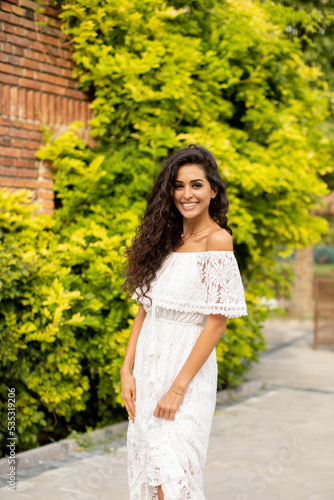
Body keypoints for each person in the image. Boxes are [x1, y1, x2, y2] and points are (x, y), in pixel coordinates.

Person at [121, 144, 248, 500]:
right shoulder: (166, 240)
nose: (186, 194)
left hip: (186, 375)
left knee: (174, 476)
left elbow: (216, 324)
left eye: (196, 185)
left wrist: (178, 389)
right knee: (151, 472)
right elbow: (146, 309)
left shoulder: (218, 241)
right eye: (178, 185)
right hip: (148, 368)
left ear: (213, 190)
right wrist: (127, 369)